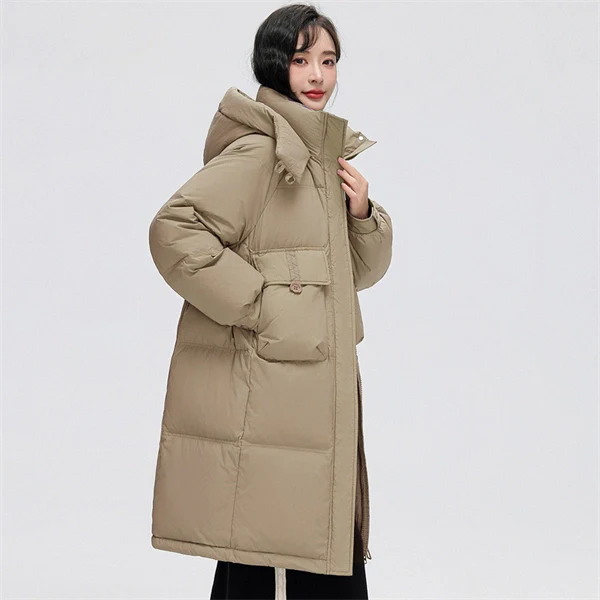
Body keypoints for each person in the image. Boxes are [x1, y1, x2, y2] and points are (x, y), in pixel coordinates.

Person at [147, 3, 393, 599]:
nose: (318, 75)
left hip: (313, 398)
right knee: (273, 554)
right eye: (302, 60)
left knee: (305, 549)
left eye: (328, 61)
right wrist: (260, 304)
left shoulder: (320, 157)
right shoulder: (264, 153)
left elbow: (359, 274)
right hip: (273, 399)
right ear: (275, 65)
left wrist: (362, 213)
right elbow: (174, 230)